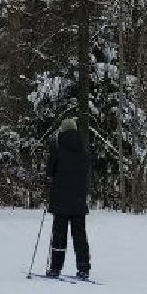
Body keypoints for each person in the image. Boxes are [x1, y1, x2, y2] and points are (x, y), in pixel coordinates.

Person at [45, 117, 92, 279]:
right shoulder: (83, 148)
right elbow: (87, 171)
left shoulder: (57, 147)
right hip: (78, 199)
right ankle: (84, 268)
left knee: (59, 235)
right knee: (79, 235)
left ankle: (55, 268)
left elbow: (49, 172)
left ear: (62, 130)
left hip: (60, 199)